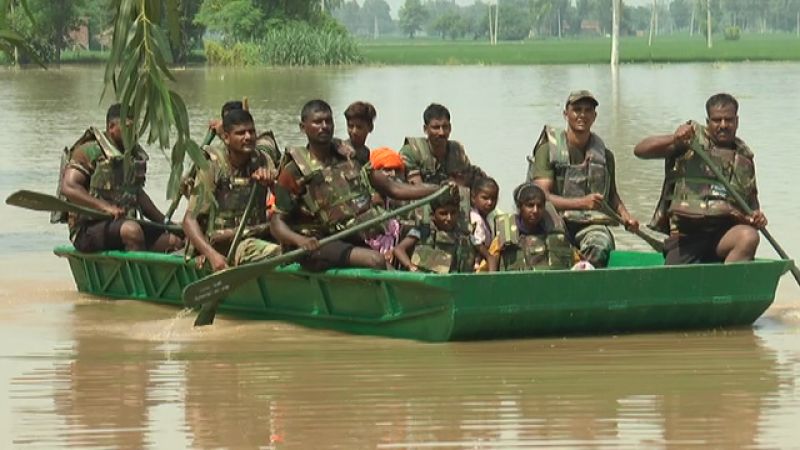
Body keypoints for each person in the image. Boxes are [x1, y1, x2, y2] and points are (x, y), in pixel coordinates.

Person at [270, 99, 443, 271]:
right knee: (376, 260)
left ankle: (432, 282)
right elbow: (276, 222)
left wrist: (437, 189)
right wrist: (300, 241)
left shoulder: (349, 156)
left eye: (328, 121)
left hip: (349, 234)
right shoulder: (294, 170)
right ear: (303, 127)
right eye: (317, 122)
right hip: (317, 243)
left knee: (410, 244)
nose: (324, 126)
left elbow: (392, 188)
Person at [633, 93, 766, 264]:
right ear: (708, 121)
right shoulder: (690, 142)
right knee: (674, 280)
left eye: (729, 120)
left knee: (749, 236)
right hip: (687, 237)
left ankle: (728, 286)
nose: (723, 125)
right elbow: (640, 150)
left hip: (724, 236)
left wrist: (757, 216)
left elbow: (751, 204)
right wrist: (674, 138)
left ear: (737, 121)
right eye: (717, 120)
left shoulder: (744, 158)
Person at [527, 90, 639, 268]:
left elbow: (611, 195)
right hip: (552, 221)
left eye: (588, 110)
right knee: (556, 246)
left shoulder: (605, 156)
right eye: (577, 109)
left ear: (594, 116)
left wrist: (626, 217)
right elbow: (541, 196)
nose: (582, 115)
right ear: (566, 114)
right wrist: (582, 203)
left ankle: (585, 281)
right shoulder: (548, 150)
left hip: (589, 224)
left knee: (599, 244)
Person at [60, 103, 182, 253]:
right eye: (129, 128)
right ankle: (135, 275)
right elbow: (69, 187)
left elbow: (138, 195)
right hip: (88, 229)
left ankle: (151, 274)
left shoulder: (133, 156)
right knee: (132, 232)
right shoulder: (89, 151)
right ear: (111, 127)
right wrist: (105, 207)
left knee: (173, 240)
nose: (134, 133)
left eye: (136, 128)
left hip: (123, 224)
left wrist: (168, 224)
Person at [182, 109, 281, 272]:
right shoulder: (212, 166)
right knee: (280, 253)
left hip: (256, 234)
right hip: (224, 243)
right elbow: (189, 220)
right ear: (226, 138)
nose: (248, 137)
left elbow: (287, 203)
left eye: (251, 131)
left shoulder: (263, 159)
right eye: (241, 133)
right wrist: (212, 255)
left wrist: (271, 184)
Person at [490, 183, 574, 271]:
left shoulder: (558, 236)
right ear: (519, 206)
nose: (535, 210)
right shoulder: (503, 237)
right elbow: (488, 267)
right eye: (530, 205)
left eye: (540, 206)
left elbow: (577, 264)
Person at [399, 102, 486, 186]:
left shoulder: (457, 152)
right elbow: (417, 188)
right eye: (436, 127)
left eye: (445, 127)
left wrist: (459, 182)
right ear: (425, 129)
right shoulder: (412, 151)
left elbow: (470, 177)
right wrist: (445, 188)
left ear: (450, 128)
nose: (441, 133)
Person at [393, 190, 475, 274]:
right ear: (432, 215)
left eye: (453, 213)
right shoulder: (423, 230)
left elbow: (481, 255)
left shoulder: (463, 235)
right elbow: (399, 249)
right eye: (443, 213)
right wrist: (411, 267)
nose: (449, 218)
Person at [469, 177, 499, 271]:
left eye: (493, 199)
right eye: (485, 198)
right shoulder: (475, 217)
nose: (489, 202)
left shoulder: (489, 218)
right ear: (473, 198)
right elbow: (476, 241)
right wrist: (489, 257)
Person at [344, 101, 377, 166]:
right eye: (350, 126)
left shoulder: (366, 152)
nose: (354, 131)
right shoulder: (339, 150)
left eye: (359, 127)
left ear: (370, 128)